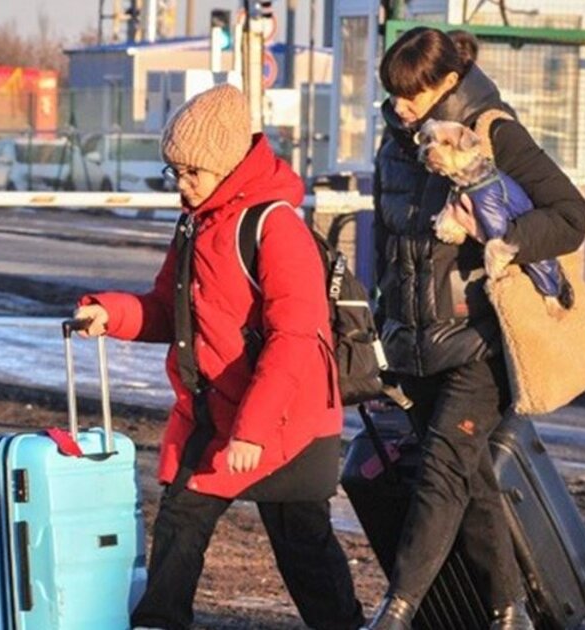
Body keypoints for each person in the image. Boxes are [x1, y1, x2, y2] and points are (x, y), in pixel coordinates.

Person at [73, 85, 363, 630]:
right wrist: (112, 314)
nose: (181, 185)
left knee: (303, 546)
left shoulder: (276, 225)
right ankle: (158, 623)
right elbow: (168, 309)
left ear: (228, 165)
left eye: (192, 173)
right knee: (180, 521)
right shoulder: (195, 222)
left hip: (286, 421)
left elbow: (295, 338)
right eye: (174, 172)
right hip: (213, 412)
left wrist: (253, 430)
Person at [364, 27, 585, 630]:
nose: (400, 107)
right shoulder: (395, 144)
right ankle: (508, 610)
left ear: (448, 83)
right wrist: (380, 330)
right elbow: (386, 244)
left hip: (481, 341)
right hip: (414, 341)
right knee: (472, 479)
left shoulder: (494, 132)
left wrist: (502, 237)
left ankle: (397, 608)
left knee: (441, 472)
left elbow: (570, 216)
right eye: (393, 93)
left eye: (412, 95)